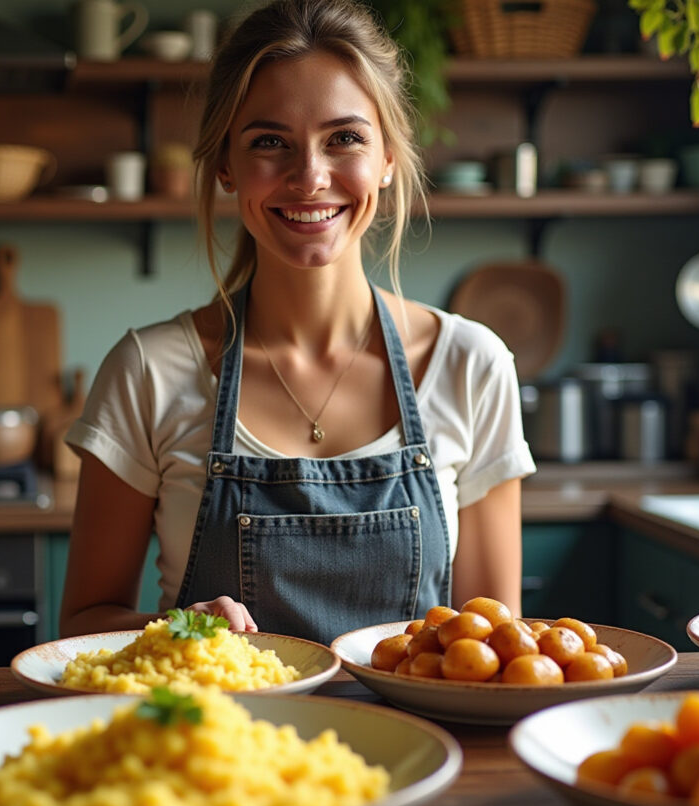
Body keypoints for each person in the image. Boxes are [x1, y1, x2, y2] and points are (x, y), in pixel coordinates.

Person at [59, 0, 534, 645]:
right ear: (225, 164)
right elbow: (83, 625)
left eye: (344, 138)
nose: (310, 177)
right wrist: (176, 629)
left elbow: (491, 649)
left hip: (420, 747)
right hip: (219, 744)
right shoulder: (148, 371)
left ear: (388, 159)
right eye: (270, 142)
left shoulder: (471, 364)